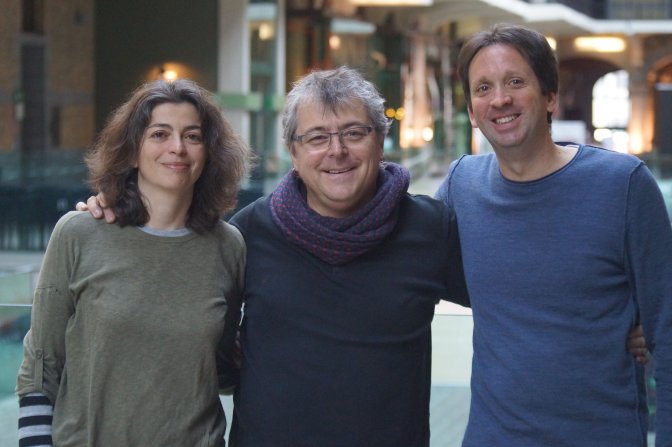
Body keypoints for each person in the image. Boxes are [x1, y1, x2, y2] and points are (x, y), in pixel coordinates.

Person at [435, 23, 672, 446]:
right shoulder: (461, 186)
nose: (500, 99)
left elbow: (667, 329)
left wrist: (629, 310)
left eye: (515, 82)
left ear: (550, 96)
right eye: (483, 88)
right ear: (471, 111)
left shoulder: (623, 185)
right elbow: (413, 270)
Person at [16, 78, 250, 446]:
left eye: (192, 136)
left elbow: (219, 368)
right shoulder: (79, 233)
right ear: (131, 152)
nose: (177, 147)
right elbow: (41, 365)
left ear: (209, 152)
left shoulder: (228, 246)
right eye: (159, 134)